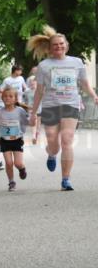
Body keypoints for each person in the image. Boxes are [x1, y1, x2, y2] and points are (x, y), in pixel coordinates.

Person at [28, 25, 98, 191]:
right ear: (50, 48)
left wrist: (94, 95)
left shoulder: (76, 62)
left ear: (66, 45)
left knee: (67, 139)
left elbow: (84, 83)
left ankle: (66, 179)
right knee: (53, 140)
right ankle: (51, 153)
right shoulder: (44, 65)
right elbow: (39, 91)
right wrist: (33, 113)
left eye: (61, 44)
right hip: (51, 105)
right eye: (55, 45)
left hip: (70, 104)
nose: (59, 47)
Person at [0, 87, 31, 191]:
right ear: (2, 98)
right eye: (5, 96)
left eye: (10, 96)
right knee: (8, 163)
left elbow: (27, 122)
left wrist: (33, 121)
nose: (7, 98)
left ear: (15, 99)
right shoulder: (0, 112)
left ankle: (22, 169)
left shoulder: (20, 111)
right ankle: (11, 182)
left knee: (17, 163)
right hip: (4, 140)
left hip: (17, 139)